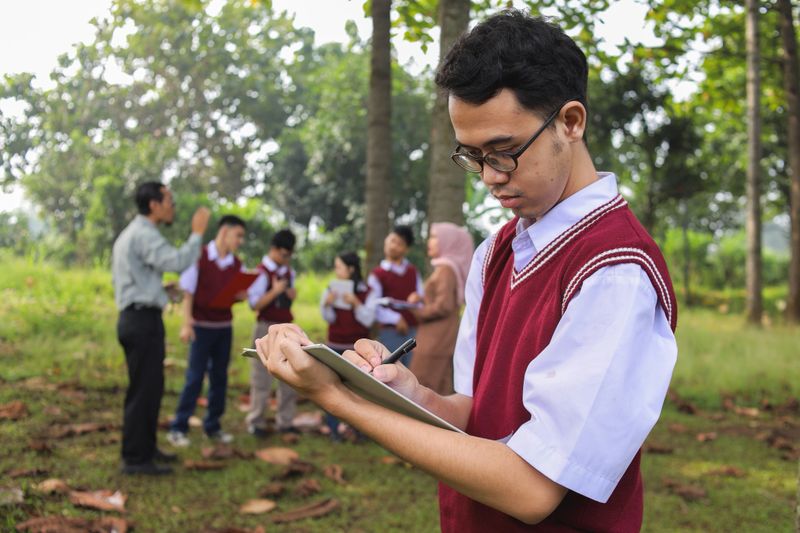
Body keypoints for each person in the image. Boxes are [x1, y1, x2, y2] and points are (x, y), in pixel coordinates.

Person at [253, 10, 678, 532]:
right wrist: (408, 395)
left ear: (571, 121)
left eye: (504, 152)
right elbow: (476, 413)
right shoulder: (497, 250)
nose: (489, 179)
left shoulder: (614, 272)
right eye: (472, 156)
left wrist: (335, 398)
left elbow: (531, 487)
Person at [112, 182, 210, 475]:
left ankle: (145, 448)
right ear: (153, 205)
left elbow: (137, 278)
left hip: (137, 318)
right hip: (141, 322)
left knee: (149, 388)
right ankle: (136, 459)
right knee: (144, 390)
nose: (173, 206)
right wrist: (197, 233)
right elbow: (178, 261)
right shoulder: (143, 234)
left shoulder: (134, 233)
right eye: (169, 200)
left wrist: (160, 290)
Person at [166, 215, 248, 447]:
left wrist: (240, 296)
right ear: (224, 232)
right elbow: (188, 291)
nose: (240, 241)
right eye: (238, 235)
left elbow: (231, 294)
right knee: (194, 377)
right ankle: (179, 427)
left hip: (224, 327)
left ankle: (213, 426)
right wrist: (186, 323)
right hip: (201, 327)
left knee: (219, 378)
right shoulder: (199, 257)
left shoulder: (236, 264)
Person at [408, 223, 473, 395]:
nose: (430, 242)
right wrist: (421, 298)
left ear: (448, 242)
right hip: (438, 335)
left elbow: (443, 306)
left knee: (423, 386)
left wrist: (416, 310)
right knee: (440, 384)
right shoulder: (446, 268)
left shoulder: (446, 270)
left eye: (435, 237)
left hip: (435, 338)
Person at [245, 229, 299, 437]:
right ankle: (256, 421)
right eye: (284, 254)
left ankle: (285, 421)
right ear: (274, 249)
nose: (286, 259)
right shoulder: (261, 272)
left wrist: (290, 294)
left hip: (286, 327)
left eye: (289, 255)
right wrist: (275, 291)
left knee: (289, 376)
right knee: (261, 377)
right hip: (265, 326)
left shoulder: (289, 272)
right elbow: (254, 304)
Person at [319, 251, 375, 440]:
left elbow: (368, 320)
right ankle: (334, 429)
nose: (336, 271)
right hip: (335, 344)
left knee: (359, 389)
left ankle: (361, 430)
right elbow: (328, 318)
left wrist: (357, 304)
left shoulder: (366, 290)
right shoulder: (331, 289)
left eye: (339, 267)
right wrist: (327, 305)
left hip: (358, 347)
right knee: (332, 386)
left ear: (350, 269)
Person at [367, 225, 424, 366]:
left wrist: (418, 299)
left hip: (413, 332)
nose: (394, 246)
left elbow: (421, 299)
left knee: (412, 373)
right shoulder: (377, 274)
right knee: (391, 371)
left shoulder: (413, 272)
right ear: (386, 241)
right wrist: (395, 318)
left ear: (406, 249)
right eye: (392, 240)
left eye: (399, 244)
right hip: (389, 332)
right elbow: (373, 305)